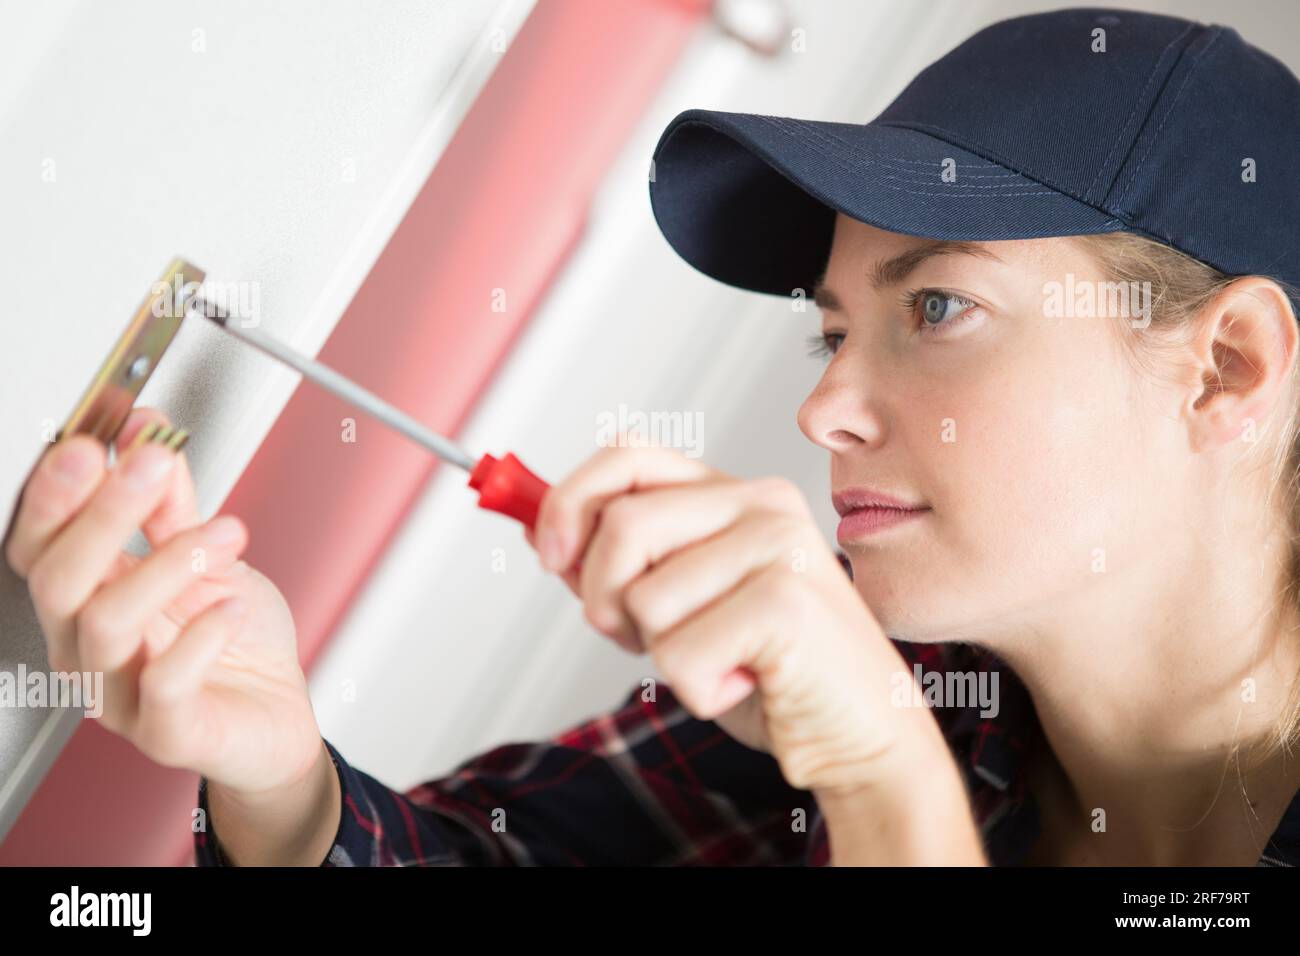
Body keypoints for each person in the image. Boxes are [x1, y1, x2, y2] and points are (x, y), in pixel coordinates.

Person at [8, 6, 1300, 866]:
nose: (824, 409)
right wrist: (277, 779)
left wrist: (879, 780)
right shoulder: (910, 680)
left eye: (938, 307)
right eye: (830, 331)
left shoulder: (874, 711)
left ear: (1222, 370)